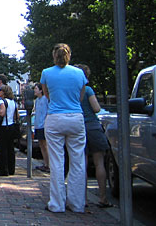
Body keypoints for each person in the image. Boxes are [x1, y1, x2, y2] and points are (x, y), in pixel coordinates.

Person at [40, 43, 88, 213]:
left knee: (57, 161)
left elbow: (47, 96)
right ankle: (77, 204)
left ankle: (57, 204)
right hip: (76, 117)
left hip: (55, 118)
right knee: (78, 161)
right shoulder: (79, 73)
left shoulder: (46, 73)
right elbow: (81, 96)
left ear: (54, 56)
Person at [75, 64, 112, 208]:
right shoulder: (88, 90)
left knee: (80, 165)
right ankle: (103, 198)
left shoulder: (74, 91)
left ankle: (83, 199)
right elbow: (96, 108)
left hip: (79, 127)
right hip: (93, 126)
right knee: (99, 163)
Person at [0, 85, 18, 176]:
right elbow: (16, 116)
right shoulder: (13, 102)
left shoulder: (2, 102)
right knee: (10, 148)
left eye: (0, 91)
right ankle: (11, 169)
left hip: (3, 127)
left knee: (2, 148)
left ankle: (2, 170)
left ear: (4, 92)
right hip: (11, 126)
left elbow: (2, 113)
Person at [34, 83, 50, 173]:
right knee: (41, 145)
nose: (34, 90)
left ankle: (49, 164)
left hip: (44, 125)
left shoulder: (45, 99)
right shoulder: (37, 100)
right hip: (38, 125)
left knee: (45, 145)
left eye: (36, 88)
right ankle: (45, 163)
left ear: (41, 90)